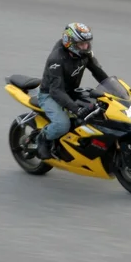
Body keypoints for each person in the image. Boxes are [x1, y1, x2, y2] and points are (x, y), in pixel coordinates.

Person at [36, 22, 109, 159]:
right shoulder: (56, 59)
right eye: (81, 44)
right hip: (50, 95)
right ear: (69, 43)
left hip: (70, 91)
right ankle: (43, 139)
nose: (85, 46)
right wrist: (75, 108)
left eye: (87, 43)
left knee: (98, 110)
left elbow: (98, 72)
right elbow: (56, 91)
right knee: (62, 125)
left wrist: (113, 89)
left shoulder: (85, 54)